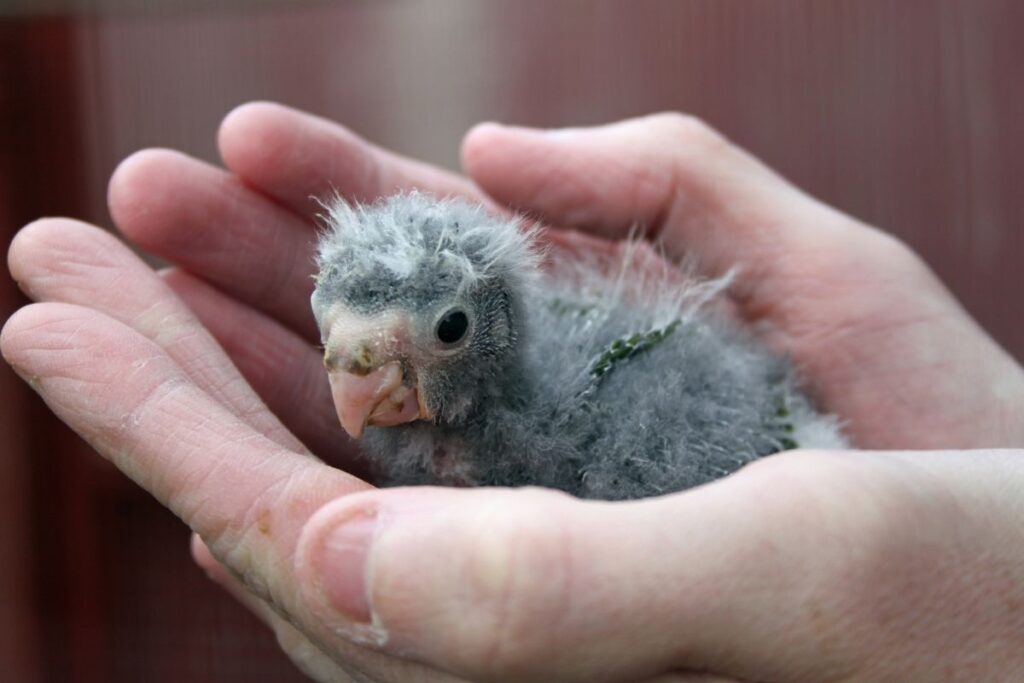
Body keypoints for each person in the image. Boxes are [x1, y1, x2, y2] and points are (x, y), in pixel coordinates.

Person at [3, 103, 1023, 682]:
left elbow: (797, 453)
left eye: (443, 332)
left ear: (491, 324)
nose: (355, 390)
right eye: (339, 344)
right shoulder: (429, 434)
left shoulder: (625, 416)